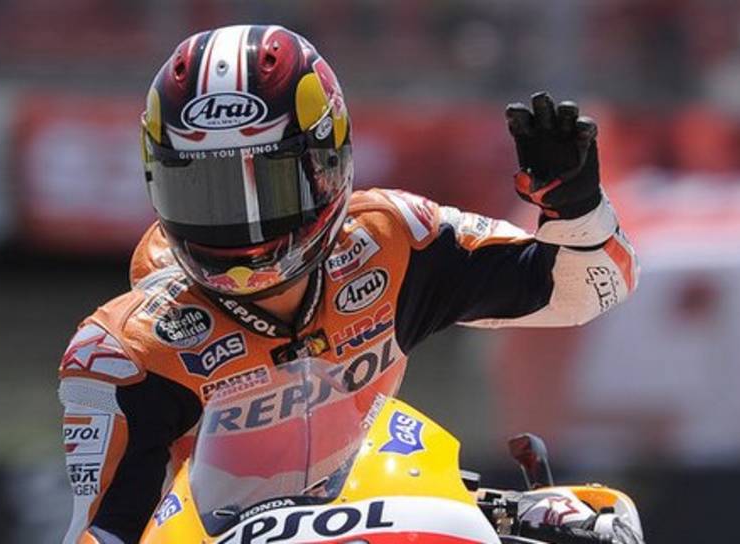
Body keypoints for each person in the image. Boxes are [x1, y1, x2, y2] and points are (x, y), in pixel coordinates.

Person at [58, 24, 641, 543]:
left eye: (271, 184)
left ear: (327, 163)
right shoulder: (121, 352)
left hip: (380, 511)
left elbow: (594, 288)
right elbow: (101, 533)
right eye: (205, 192)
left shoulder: (395, 240)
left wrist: (574, 209)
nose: (242, 225)